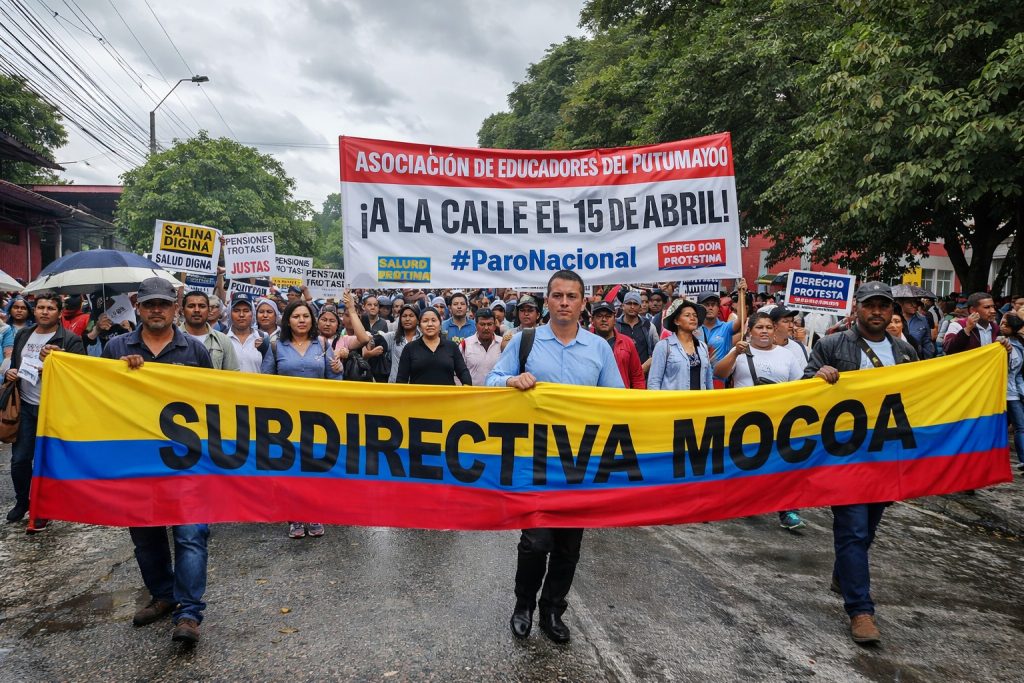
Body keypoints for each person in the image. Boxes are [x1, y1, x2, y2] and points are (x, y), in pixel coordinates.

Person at [487, 270, 624, 644]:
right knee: (535, 542)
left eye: (571, 296)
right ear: (546, 300)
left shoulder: (599, 348)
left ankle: (552, 609)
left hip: (580, 464)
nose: (564, 302)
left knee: (568, 545)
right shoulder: (525, 340)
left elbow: (617, 400)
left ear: (583, 303)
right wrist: (511, 381)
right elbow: (491, 380)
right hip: (534, 460)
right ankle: (523, 606)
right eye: (558, 295)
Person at [802, 281, 918, 645]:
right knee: (852, 529)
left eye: (884, 305)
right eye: (871, 305)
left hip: (885, 457)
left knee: (866, 529)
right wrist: (817, 377)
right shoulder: (833, 345)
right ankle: (861, 611)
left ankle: (844, 573)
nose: (877, 312)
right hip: (845, 456)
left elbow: (919, 397)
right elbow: (803, 389)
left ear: (892, 311)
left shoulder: (905, 352)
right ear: (858, 309)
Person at [101, 277, 213, 644]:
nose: (156, 310)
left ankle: (189, 612)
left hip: (187, 462)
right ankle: (163, 595)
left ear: (174, 308)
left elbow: (213, 401)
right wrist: (118, 374)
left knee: (191, 534)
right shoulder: (116, 347)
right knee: (146, 537)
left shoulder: (195, 350)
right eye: (149, 304)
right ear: (138, 307)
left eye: (163, 304)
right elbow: (98, 395)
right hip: (137, 461)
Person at [715, 312, 805, 530]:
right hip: (745, 421)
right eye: (759, 327)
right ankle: (746, 500)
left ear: (774, 331)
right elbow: (719, 373)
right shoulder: (740, 351)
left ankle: (788, 510)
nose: (764, 331)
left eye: (768, 327)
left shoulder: (787, 356)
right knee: (748, 462)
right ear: (750, 331)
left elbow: (800, 386)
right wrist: (735, 353)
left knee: (783, 465)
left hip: (779, 419)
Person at [262, 299, 344, 538]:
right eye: (296, 316)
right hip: (285, 420)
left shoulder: (323, 344)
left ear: (312, 320)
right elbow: (265, 381)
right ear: (288, 320)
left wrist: (338, 370)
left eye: (306, 316)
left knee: (314, 466)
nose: (301, 320)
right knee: (291, 468)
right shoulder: (276, 346)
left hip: (317, 418)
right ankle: (294, 517)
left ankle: (314, 512)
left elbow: (334, 381)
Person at [5, 292, 86, 528]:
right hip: (26, 407)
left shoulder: (70, 340)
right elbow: (15, 366)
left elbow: (80, 372)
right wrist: (10, 373)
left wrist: (55, 366)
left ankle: (44, 507)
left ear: (59, 313)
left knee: (48, 462)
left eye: (50, 308)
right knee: (20, 460)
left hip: (54, 408)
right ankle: (23, 501)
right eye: (40, 307)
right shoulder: (23, 334)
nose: (44, 312)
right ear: (35, 310)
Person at [648, 299, 714, 391]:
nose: (693, 318)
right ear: (676, 321)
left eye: (695, 315)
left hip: (699, 399)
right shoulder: (663, 346)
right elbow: (654, 382)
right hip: (674, 400)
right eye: (687, 315)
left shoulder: (702, 347)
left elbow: (708, 381)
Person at [396, 307, 471, 385]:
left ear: (440, 325)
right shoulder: (410, 348)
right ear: (419, 326)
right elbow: (401, 379)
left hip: (447, 393)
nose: (430, 324)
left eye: (433, 320)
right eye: (425, 321)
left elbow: (463, 372)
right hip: (418, 393)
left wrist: (467, 386)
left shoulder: (451, 347)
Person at [180, 291, 240, 371]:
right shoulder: (171, 337)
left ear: (208, 311)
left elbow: (232, 374)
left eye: (202, 306)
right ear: (183, 311)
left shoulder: (223, 341)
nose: (197, 310)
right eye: (191, 306)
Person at [591, 301, 645, 389]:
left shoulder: (627, 343)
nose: (604, 319)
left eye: (608, 316)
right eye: (599, 316)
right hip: (592, 395)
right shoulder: (585, 343)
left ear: (614, 320)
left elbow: (637, 377)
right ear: (592, 320)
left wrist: (639, 396)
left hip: (620, 395)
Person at [1000, 313, 1024, 472]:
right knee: (1020, 427)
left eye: (1004, 323)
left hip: (1009, 392)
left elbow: (1016, 372)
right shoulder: (1019, 344)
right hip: (1011, 392)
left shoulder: (1007, 344)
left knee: (1019, 427)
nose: (1001, 325)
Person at [616, 290, 659, 371]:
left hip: (644, 373)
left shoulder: (648, 326)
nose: (632, 307)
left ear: (640, 307)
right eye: (629, 303)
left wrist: (646, 366)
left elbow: (658, 351)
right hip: (620, 373)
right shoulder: (615, 326)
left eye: (635, 304)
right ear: (623, 306)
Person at [459, 307, 501, 387]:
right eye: (482, 324)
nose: (486, 328)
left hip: (496, 393)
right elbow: (458, 373)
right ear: (476, 325)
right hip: (473, 393)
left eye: (489, 324)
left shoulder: (502, 344)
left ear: (494, 326)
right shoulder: (465, 344)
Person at [381, 304, 422, 383]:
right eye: (404, 316)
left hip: (417, 385)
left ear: (418, 320)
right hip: (396, 385)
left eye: (411, 316)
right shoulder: (393, 337)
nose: (407, 319)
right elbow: (372, 339)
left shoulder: (423, 338)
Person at [226, 293, 266, 373]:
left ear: (253, 313)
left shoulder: (263, 338)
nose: (241, 315)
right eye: (236, 311)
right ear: (230, 313)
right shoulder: (222, 337)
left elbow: (268, 370)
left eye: (246, 311)